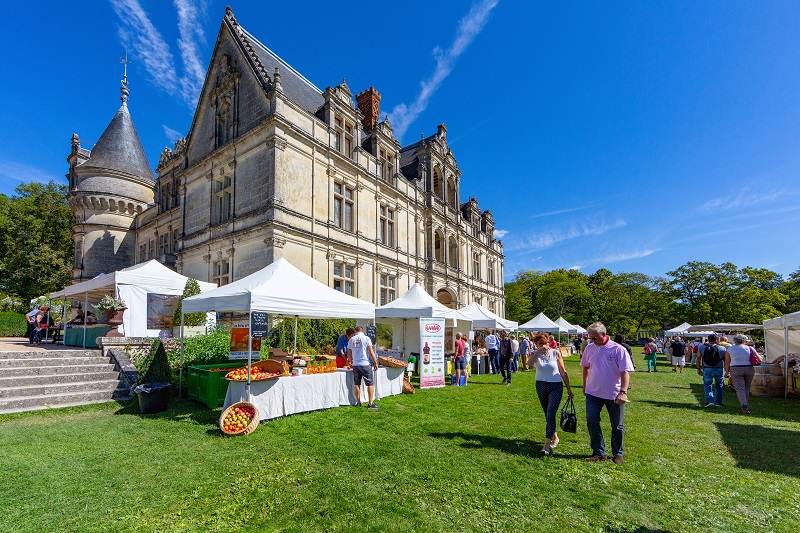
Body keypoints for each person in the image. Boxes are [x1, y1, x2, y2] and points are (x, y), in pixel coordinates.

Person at [581, 322, 634, 464]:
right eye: (590, 338)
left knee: (617, 425)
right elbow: (585, 367)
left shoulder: (618, 350)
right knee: (592, 421)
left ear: (603, 335)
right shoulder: (589, 349)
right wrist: (585, 385)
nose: (591, 341)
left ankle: (617, 453)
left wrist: (623, 392)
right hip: (593, 392)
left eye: (593, 338)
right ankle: (598, 452)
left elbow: (625, 372)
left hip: (614, 394)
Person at [532, 332, 574, 455]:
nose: (544, 346)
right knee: (547, 414)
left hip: (555, 386)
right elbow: (528, 364)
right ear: (536, 344)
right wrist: (538, 351)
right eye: (540, 344)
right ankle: (555, 437)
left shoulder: (556, 353)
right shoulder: (536, 355)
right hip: (540, 385)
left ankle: (546, 444)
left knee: (551, 413)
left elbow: (563, 371)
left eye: (545, 343)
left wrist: (569, 389)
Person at [347, 326, 380, 409]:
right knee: (370, 383)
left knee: (357, 383)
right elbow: (371, 352)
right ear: (362, 331)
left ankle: (358, 402)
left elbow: (349, 352)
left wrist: (350, 362)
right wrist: (375, 362)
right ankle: (370, 403)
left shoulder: (352, 339)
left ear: (356, 331)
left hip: (356, 364)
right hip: (365, 363)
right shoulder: (366, 338)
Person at [725, 334, 758, 414]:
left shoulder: (730, 349)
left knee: (740, 388)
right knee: (747, 387)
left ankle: (744, 406)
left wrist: (727, 371)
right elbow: (759, 358)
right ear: (744, 341)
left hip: (736, 368)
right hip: (749, 368)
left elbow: (727, 362)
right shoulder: (750, 348)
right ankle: (745, 404)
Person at [697, 334, 727, 407]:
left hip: (707, 368)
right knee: (719, 385)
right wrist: (727, 370)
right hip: (719, 368)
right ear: (716, 340)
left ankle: (710, 400)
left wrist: (698, 368)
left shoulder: (702, 347)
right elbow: (726, 360)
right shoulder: (722, 348)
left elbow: (698, 358)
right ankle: (718, 402)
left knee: (707, 385)